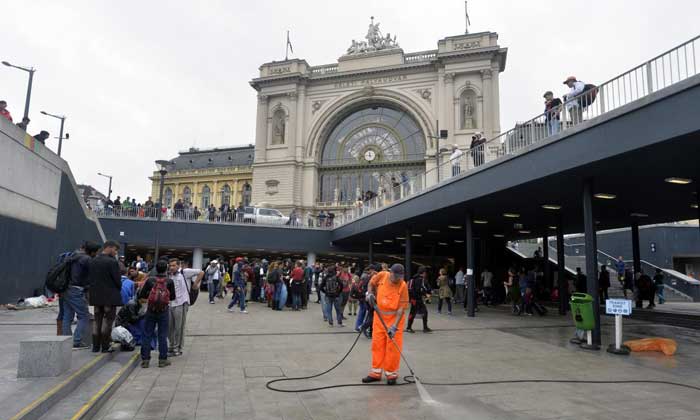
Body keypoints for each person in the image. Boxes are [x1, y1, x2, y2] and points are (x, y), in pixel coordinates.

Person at [362, 263, 409, 385]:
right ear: (391, 272)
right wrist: (370, 294)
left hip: (394, 320)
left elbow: (401, 309)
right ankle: (375, 373)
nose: (397, 279)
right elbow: (370, 284)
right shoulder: (382, 275)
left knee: (392, 347)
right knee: (377, 344)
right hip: (379, 318)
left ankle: (391, 374)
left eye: (400, 277)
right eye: (396, 276)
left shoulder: (403, 286)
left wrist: (394, 326)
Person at [138, 260, 176, 368]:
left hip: (151, 310)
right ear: (166, 269)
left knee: (147, 334)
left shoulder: (150, 280)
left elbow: (142, 295)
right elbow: (173, 297)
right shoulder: (169, 281)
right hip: (163, 311)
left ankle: (145, 360)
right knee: (162, 335)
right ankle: (162, 360)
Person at [62, 241, 100, 349]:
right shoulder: (86, 259)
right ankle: (76, 341)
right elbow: (93, 275)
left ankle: (66, 341)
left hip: (65, 288)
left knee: (67, 316)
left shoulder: (72, 255)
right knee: (84, 316)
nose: (96, 254)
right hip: (76, 289)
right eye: (96, 252)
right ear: (92, 251)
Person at [88, 241, 122, 353]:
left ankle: (95, 347)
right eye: (115, 249)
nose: (116, 252)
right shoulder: (112, 262)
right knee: (107, 321)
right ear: (109, 248)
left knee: (97, 320)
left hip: (96, 296)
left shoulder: (93, 260)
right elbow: (118, 281)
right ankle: (105, 347)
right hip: (109, 296)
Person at [168, 258, 203, 356]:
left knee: (179, 327)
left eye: (174, 265)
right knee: (170, 327)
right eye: (170, 265)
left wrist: (195, 284)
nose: (171, 267)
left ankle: (177, 348)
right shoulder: (169, 275)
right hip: (170, 303)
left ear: (178, 266)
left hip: (182, 303)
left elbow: (201, 272)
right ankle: (171, 346)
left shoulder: (185, 272)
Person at [406, 267, 431, 333]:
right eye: (425, 272)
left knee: (414, 313)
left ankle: (410, 327)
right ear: (423, 273)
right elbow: (419, 289)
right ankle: (410, 327)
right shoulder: (419, 279)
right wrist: (425, 294)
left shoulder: (414, 278)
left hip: (414, 299)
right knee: (422, 312)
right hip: (417, 299)